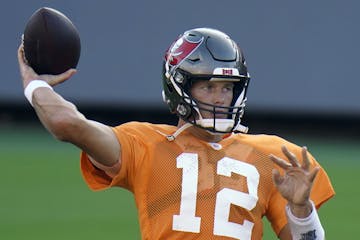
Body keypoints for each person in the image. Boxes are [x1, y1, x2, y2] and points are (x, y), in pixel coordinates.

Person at [18, 27, 334, 240]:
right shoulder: (144, 144)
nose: (221, 97)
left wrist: (301, 209)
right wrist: (35, 83)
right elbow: (66, 123)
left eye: (227, 87)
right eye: (208, 86)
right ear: (179, 88)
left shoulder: (274, 156)